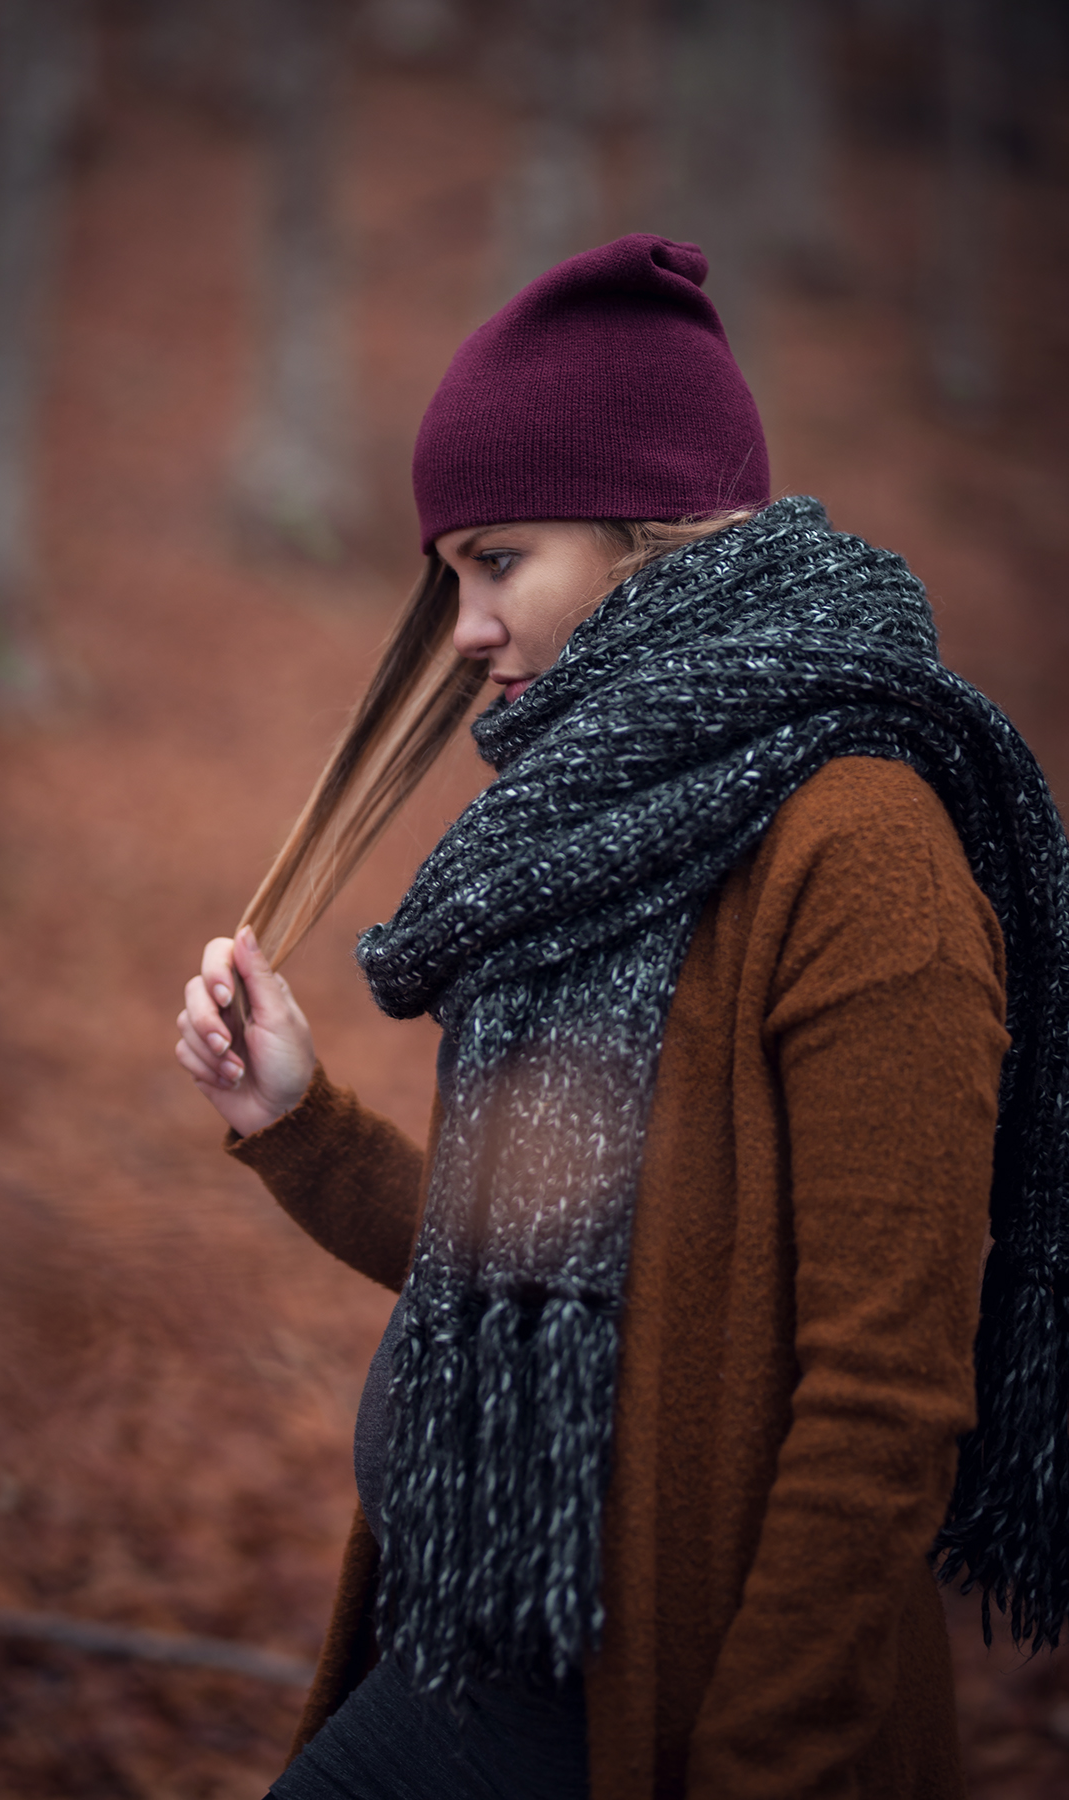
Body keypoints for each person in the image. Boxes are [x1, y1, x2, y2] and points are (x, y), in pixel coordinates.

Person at [175, 236, 1069, 1800]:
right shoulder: (604, 841)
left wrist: (752, 1765)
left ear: (653, 533)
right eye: (451, 573)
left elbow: (884, 1402)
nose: (462, 628)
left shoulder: (863, 856)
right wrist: (298, 1123)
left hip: (642, 1723)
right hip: (473, 1645)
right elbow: (535, 1268)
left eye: (498, 560)